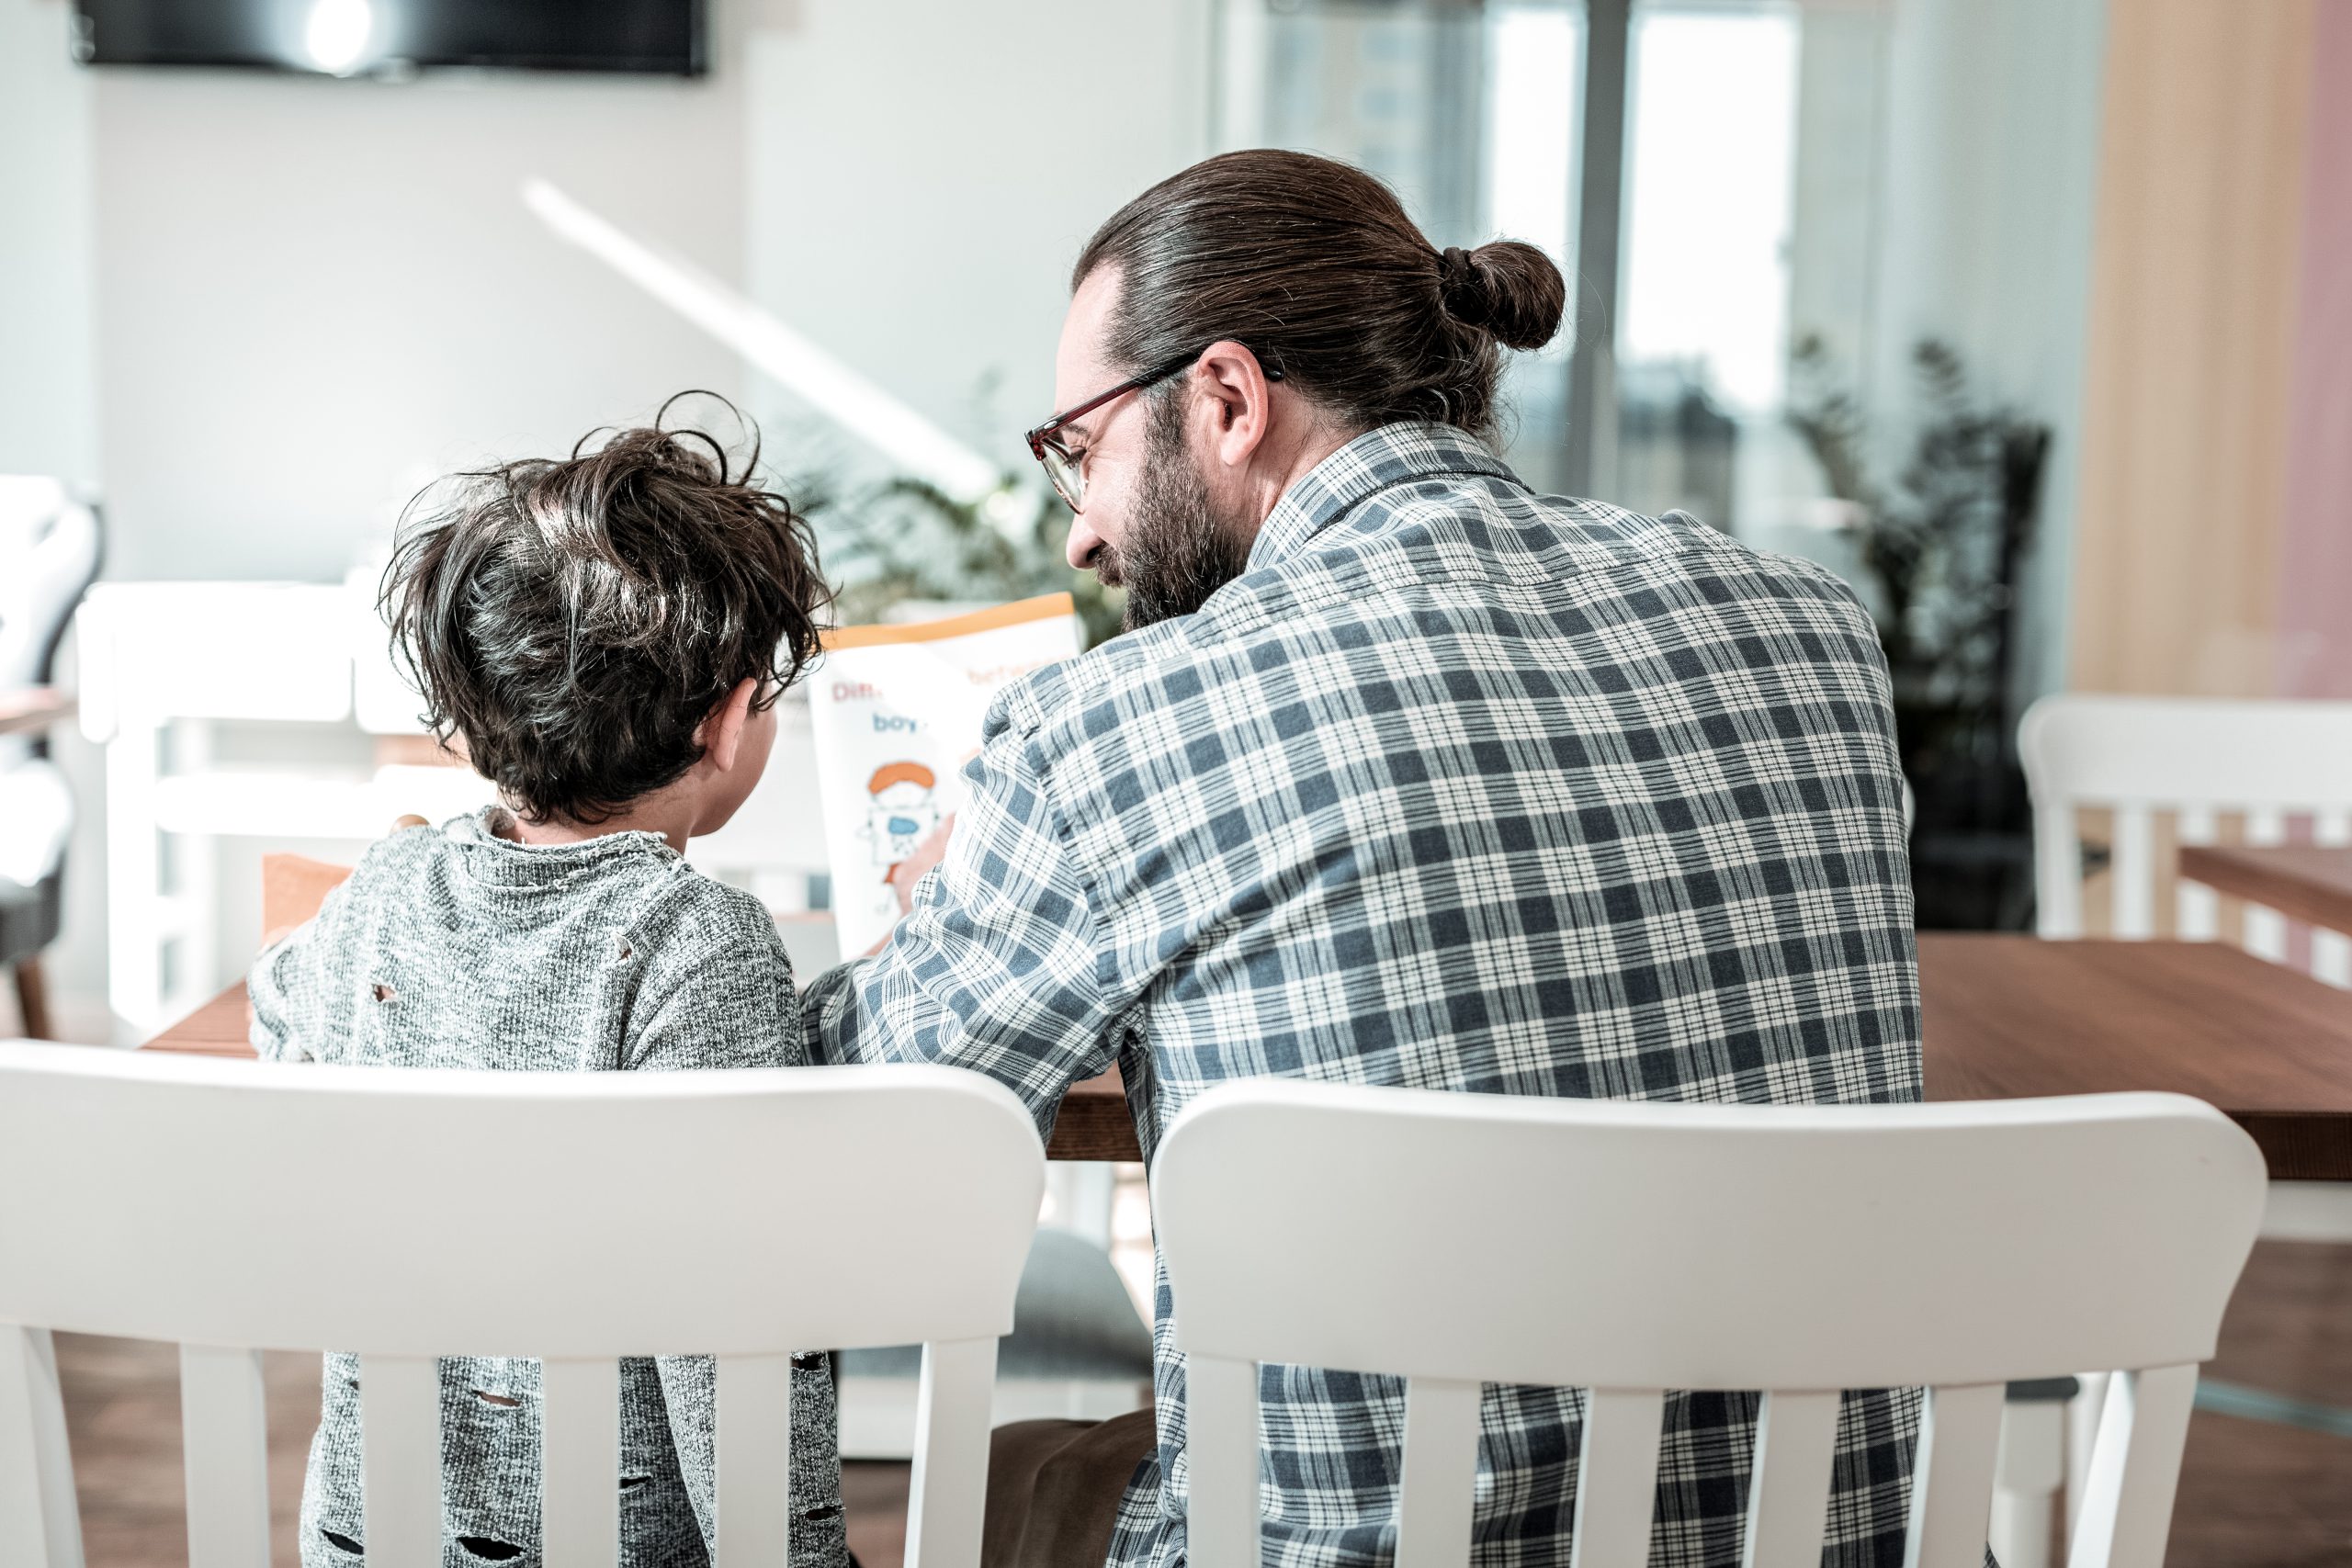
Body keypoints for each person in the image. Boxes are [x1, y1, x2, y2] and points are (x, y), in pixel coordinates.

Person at [804, 148, 1922, 1568]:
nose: (1080, 525)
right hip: (1816, 1538)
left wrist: (937, 904)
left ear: (1225, 397)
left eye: (1079, 449)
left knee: (1015, 1467)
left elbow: (848, 1140)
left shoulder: (1126, 726)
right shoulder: (1813, 631)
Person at [251, 417, 849, 1568]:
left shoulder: (387, 888)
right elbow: (728, 1339)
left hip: (369, 1539)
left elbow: (280, 1006)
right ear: (726, 722)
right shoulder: (699, 945)